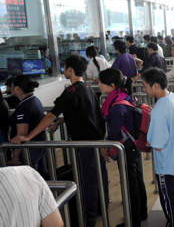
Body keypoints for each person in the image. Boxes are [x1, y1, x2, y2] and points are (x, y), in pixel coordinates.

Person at [11, 55, 108, 227]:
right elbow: (85, 112)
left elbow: (50, 115)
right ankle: (101, 209)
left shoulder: (71, 91)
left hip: (84, 145)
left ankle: (89, 220)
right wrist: (63, 121)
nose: (63, 70)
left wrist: (28, 136)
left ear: (70, 70)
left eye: (65, 67)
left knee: (87, 182)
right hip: (96, 141)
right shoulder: (88, 88)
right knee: (97, 177)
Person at [98, 68, 148, 227]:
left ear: (112, 85)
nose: (98, 85)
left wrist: (106, 147)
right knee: (137, 179)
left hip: (126, 148)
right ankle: (141, 212)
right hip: (133, 144)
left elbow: (114, 132)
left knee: (130, 183)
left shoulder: (116, 105)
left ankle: (133, 220)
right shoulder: (123, 96)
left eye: (101, 82)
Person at [142, 68, 174, 227]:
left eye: (145, 86)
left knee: (168, 196)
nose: (144, 89)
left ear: (155, 86)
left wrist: (150, 141)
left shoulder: (158, 111)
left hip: (166, 164)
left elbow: (158, 146)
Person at [8, 75, 48, 178]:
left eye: (12, 86)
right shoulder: (34, 100)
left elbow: (21, 135)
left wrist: (15, 157)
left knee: (30, 179)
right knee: (41, 176)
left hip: (29, 151)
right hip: (39, 145)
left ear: (17, 88)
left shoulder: (24, 107)